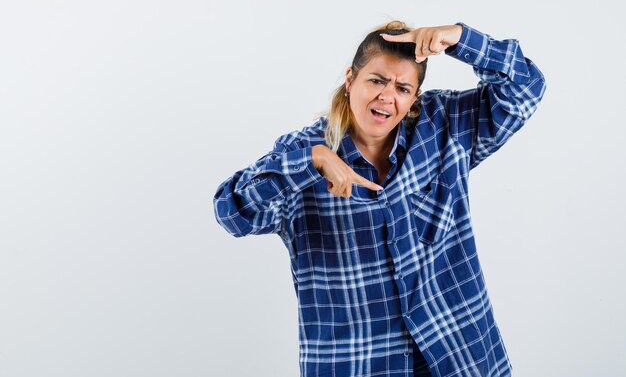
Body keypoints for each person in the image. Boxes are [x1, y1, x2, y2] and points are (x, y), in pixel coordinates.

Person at [213, 19, 546, 377]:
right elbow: (231, 212)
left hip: (464, 359)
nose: (387, 96)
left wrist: (460, 39)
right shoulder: (302, 152)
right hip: (358, 365)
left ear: (414, 98)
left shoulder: (444, 126)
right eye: (376, 80)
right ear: (349, 79)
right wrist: (313, 162)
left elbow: (526, 87)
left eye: (403, 88)